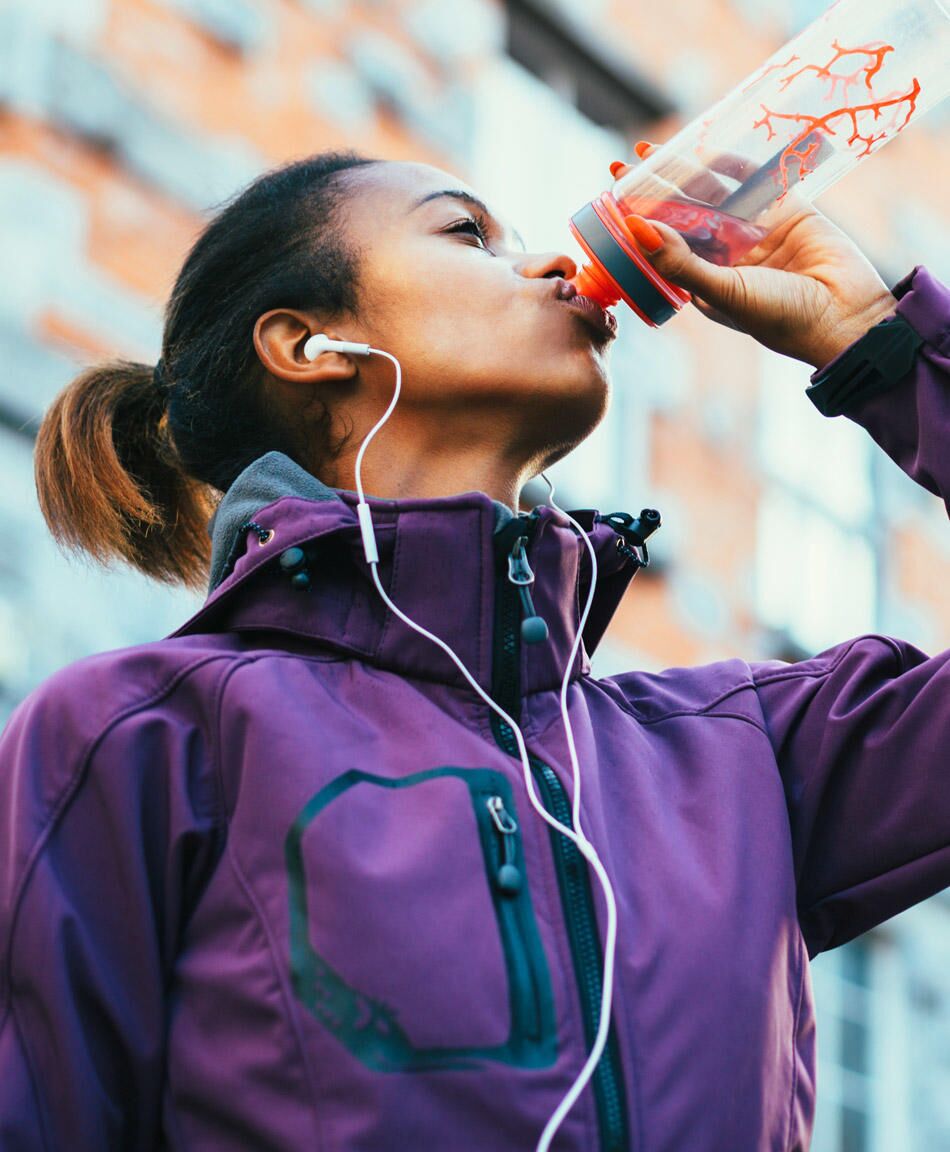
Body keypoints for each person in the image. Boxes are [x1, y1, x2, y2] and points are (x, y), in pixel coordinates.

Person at [0, 145, 947, 1152]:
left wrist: (879, 346)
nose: (548, 265)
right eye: (469, 234)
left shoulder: (750, 755)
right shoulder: (141, 732)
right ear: (309, 343)